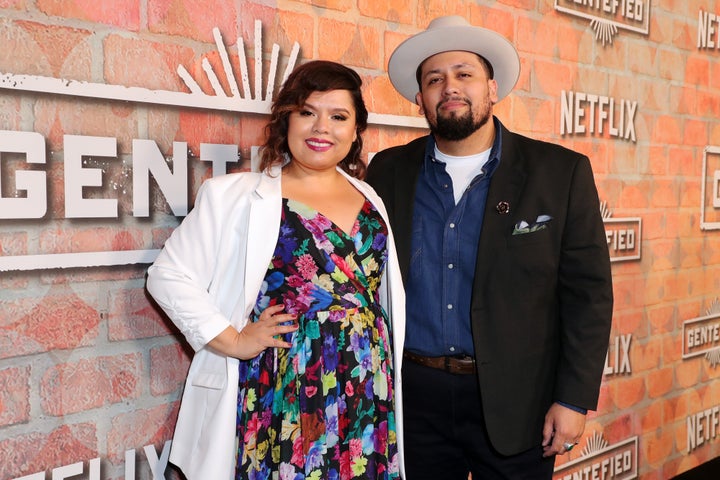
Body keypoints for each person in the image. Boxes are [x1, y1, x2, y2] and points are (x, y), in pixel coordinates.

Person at [365, 15, 613, 480]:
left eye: (465, 74)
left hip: (519, 400)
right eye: (434, 79)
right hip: (412, 399)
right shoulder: (388, 171)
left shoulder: (560, 173)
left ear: (492, 88)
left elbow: (589, 296)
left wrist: (573, 398)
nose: (449, 87)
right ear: (420, 97)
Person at [147, 60, 405, 480]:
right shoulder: (232, 195)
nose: (322, 128)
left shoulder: (370, 197)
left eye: (338, 117)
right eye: (307, 112)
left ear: (356, 130)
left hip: (366, 387)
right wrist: (232, 340)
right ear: (286, 120)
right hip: (287, 389)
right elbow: (168, 276)